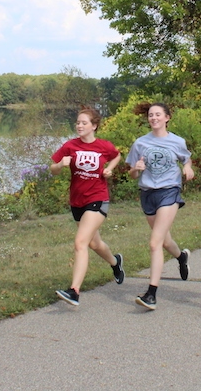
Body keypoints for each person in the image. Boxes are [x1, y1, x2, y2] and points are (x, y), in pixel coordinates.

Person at [51, 108, 125, 307]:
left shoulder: (103, 146)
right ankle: (115, 263)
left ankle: (74, 291)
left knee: (80, 243)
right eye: (77, 122)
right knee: (94, 244)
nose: (79, 126)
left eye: (84, 123)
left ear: (94, 126)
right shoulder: (70, 146)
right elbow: (53, 169)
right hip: (77, 201)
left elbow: (116, 155)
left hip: (98, 199)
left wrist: (109, 168)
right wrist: (61, 165)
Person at [126, 102, 195, 310]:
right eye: (150, 115)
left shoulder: (177, 141)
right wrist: (135, 169)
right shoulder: (140, 143)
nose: (153, 118)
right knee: (165, 241)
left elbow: (187, 159)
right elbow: (132, 172)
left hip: (169, 191)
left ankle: (151, 294)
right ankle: (181, 257)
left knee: (155, 243)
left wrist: (187, 168)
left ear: (167, 117)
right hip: (148, 194)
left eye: (158, 114)